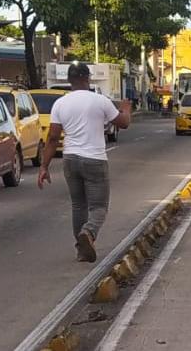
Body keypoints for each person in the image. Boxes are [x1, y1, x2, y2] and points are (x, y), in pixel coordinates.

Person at [37, 63, 132, 262]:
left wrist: (44, 167)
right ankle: (88, 233)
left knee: (78, 205)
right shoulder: (100, 101)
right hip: (94, 159)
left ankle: (81, 251)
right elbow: (123, 123)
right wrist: (125, 109)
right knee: (98, 207)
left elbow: (53, 138)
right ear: (87, 78)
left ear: (69, 80)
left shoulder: (60, 104)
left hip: (70, 159)